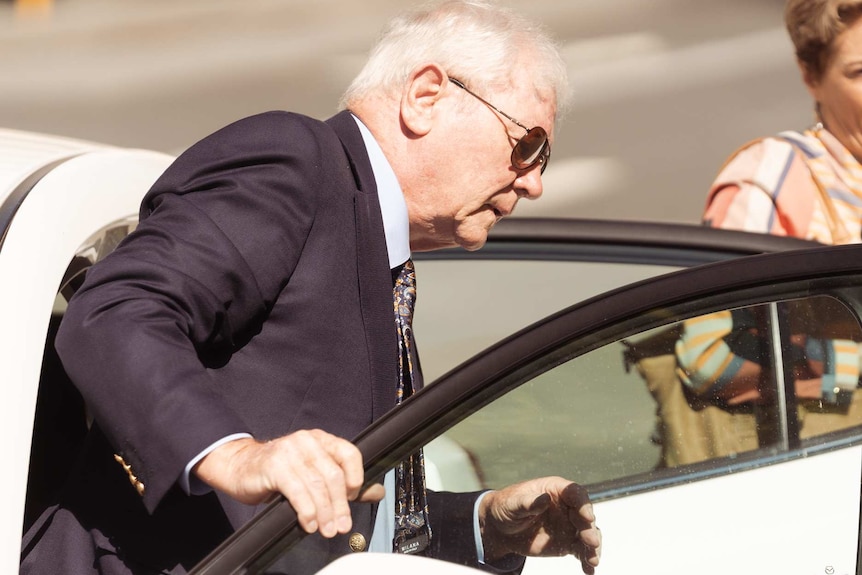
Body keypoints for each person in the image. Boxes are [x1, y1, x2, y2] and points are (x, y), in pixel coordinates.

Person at [20, 2, 602, 574]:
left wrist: (481, 525)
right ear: (426, 97)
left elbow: (344, 521)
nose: (535, 184)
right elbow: (117, 310)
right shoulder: (297, 162)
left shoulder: (374, 242)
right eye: (528, 146)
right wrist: (235, 454)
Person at [675, 0, 862, 443]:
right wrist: (847, 365)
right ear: (810, 75)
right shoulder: (773, 178)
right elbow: (709, 352)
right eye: (859, 72)